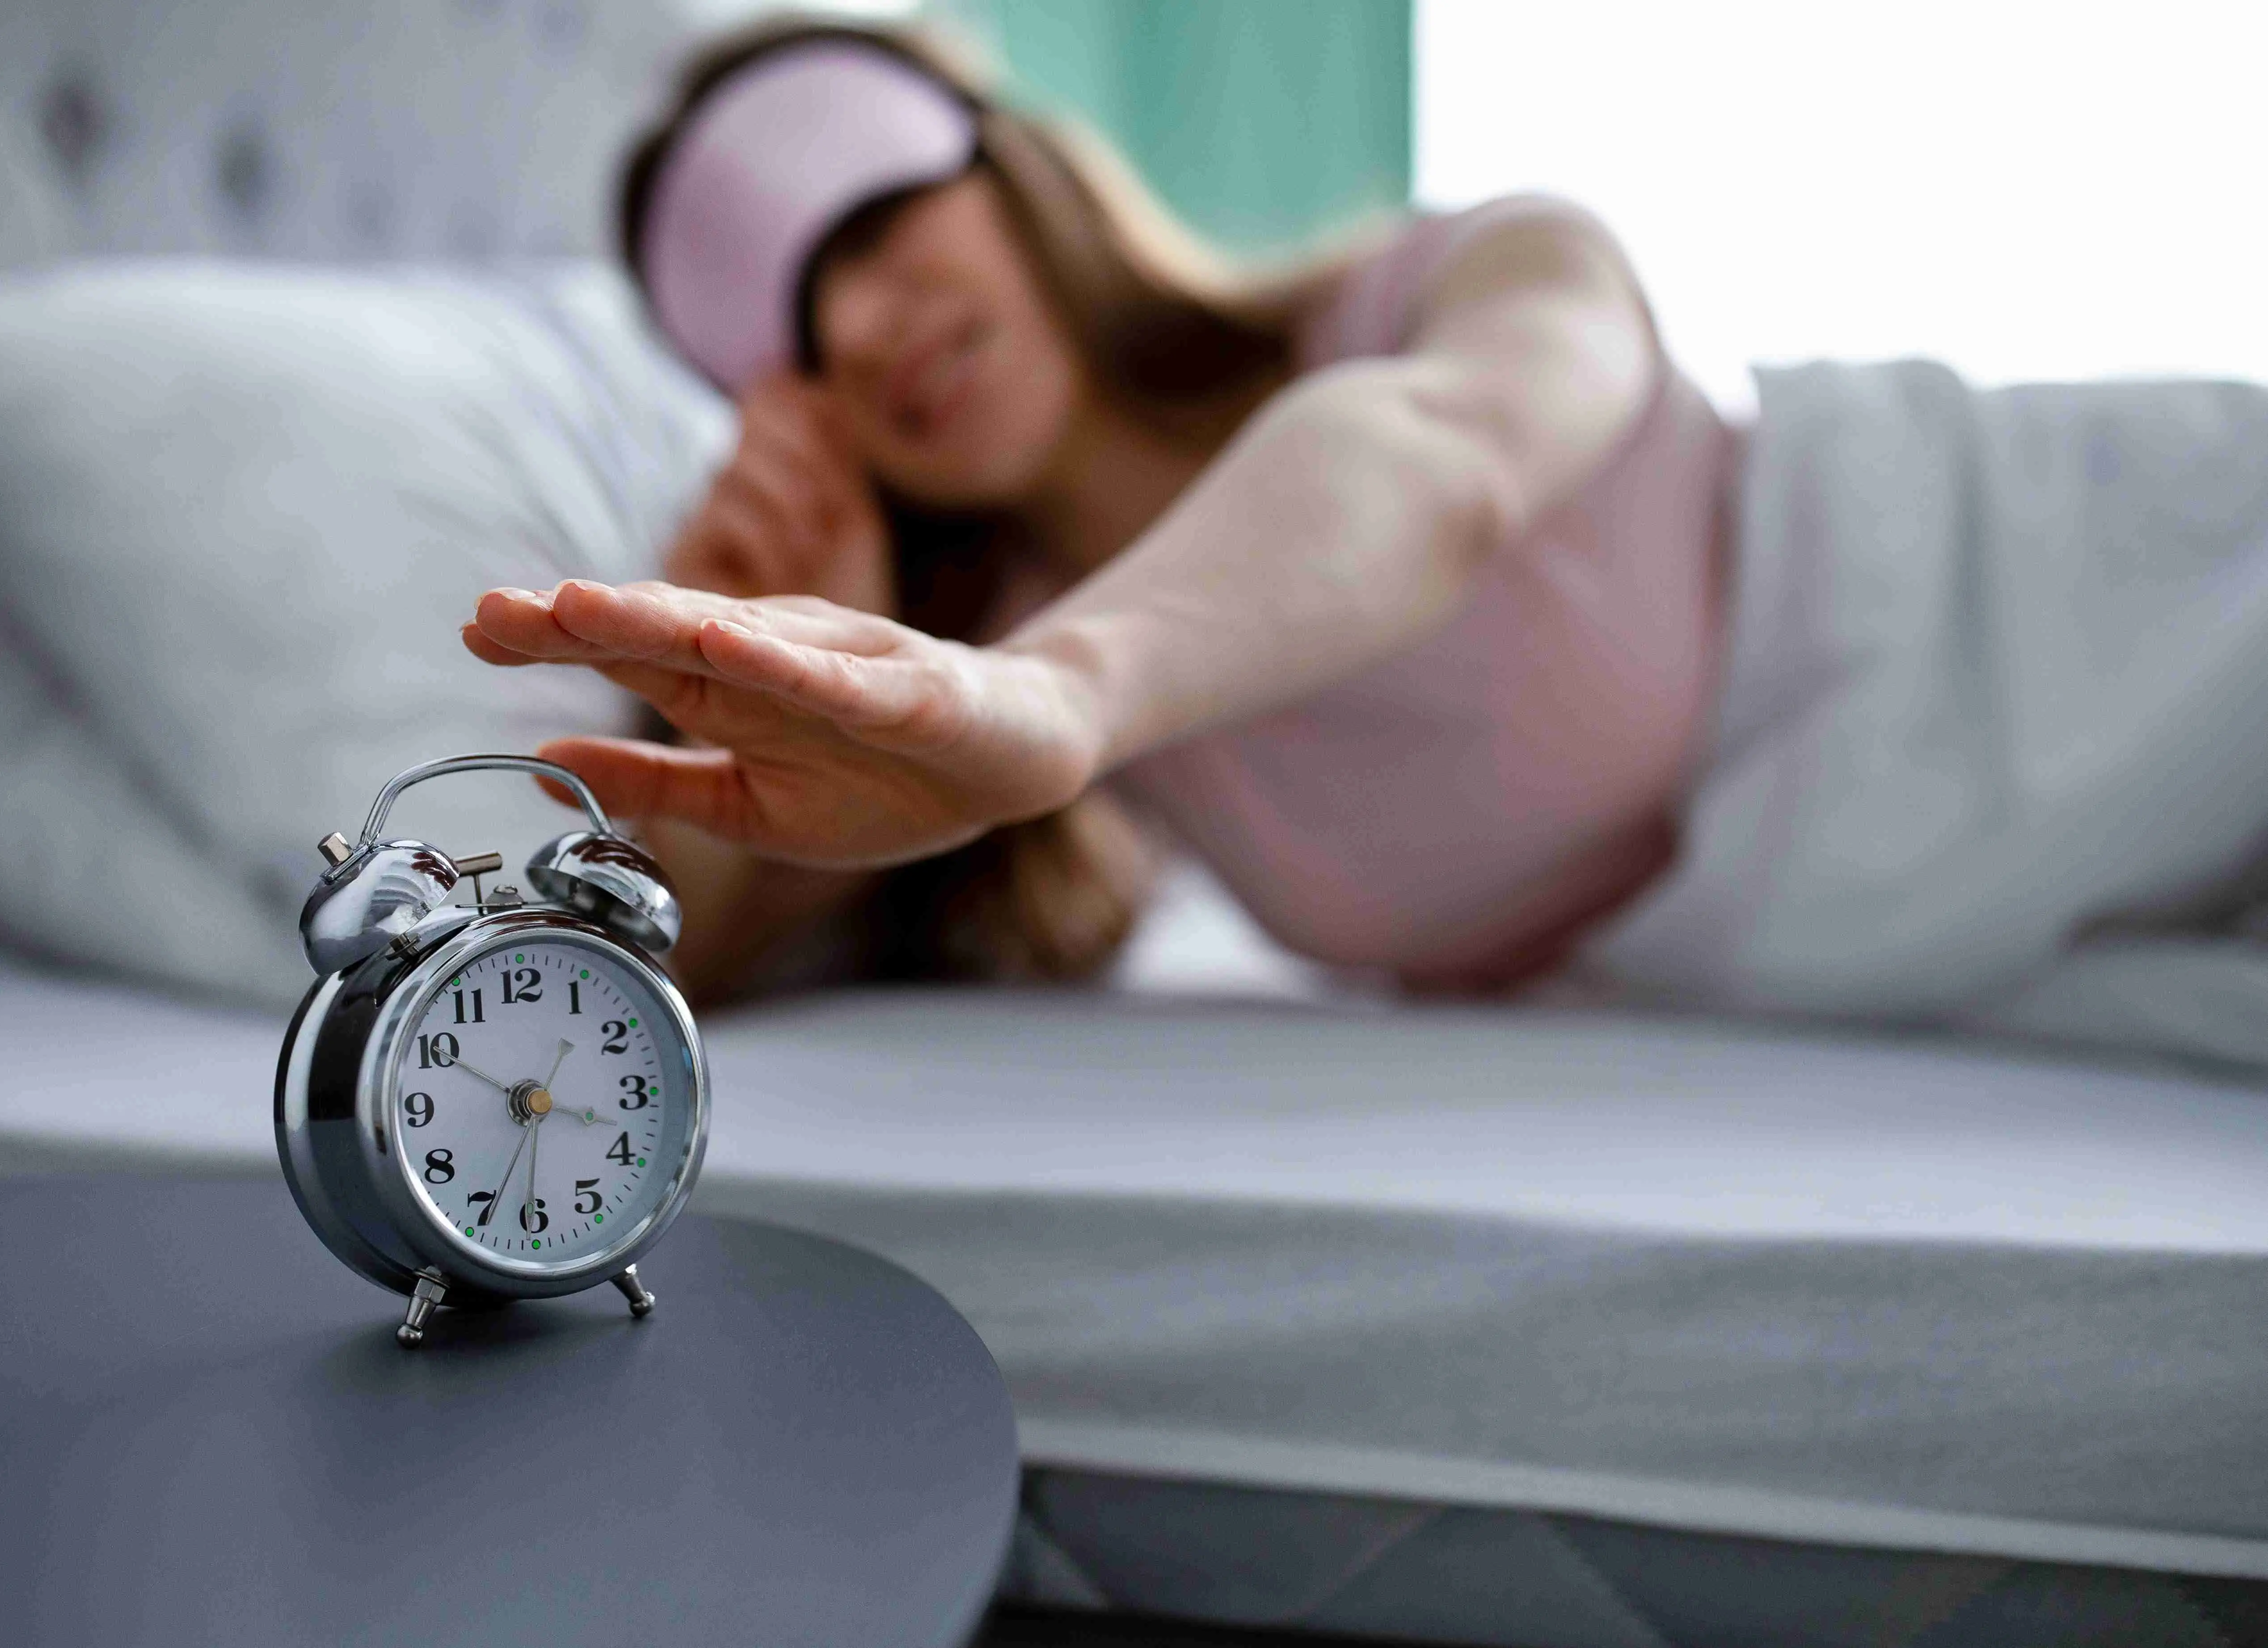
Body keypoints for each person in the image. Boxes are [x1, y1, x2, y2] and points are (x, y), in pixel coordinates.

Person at [462, 21, 2268, 1045]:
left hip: (2104, 589)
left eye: (867, 223)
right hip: (1965, 932)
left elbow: (1435, 459)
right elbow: (643, 991)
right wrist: (780, 675)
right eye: (779, 323)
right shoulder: (1012, 726)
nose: (858, 325)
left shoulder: (1468, 279)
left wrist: (1069, 688)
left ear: (1000, 165)